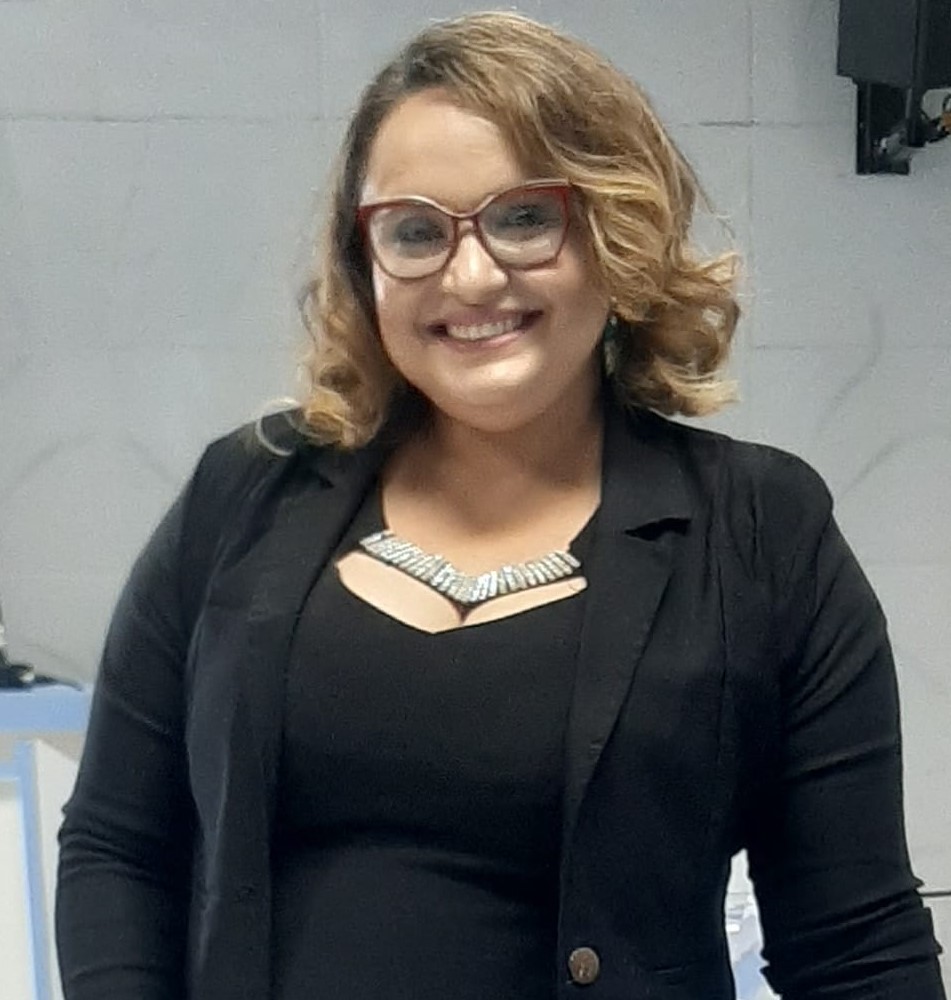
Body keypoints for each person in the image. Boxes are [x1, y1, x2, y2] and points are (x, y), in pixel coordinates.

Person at [55, 11, 945, 1000]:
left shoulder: (760, 534)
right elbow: (119, 848)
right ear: (363, 261)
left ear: (613, 231)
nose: (471, 275)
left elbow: (855, 947)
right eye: (414, 231)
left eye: (525, 217)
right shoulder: (245, 493)